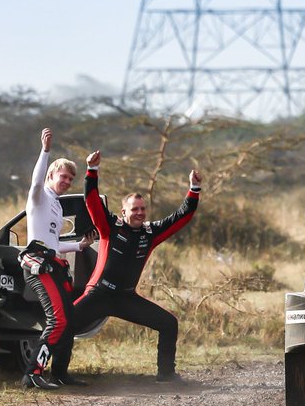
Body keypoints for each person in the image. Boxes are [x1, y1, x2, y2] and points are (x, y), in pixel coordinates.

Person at [54, 150, 201, 383]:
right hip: (99, 293)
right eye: (135, 209)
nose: (140, 213)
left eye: (143, 209)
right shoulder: (109, 226)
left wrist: (194, 189)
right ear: (124, 212)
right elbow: (91, 201)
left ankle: (166, 374)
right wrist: (92, 171)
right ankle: (58, 375)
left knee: (168, 323)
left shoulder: (150, 233)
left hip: (126, 298)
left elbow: (181, 217)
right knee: (65, 325)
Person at [19, 127, 95, 390]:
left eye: (70, 179)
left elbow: (53, 244)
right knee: (58, 320)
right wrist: (45, 151)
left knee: (70, 321)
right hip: (38, 266)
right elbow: (36, 182)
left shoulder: (57, 204)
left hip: (53, 263)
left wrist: (79, 245)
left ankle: (60, 373)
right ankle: (33, 373)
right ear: (52, 174)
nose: (66, 182)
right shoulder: (39, 197)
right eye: (63, 176)